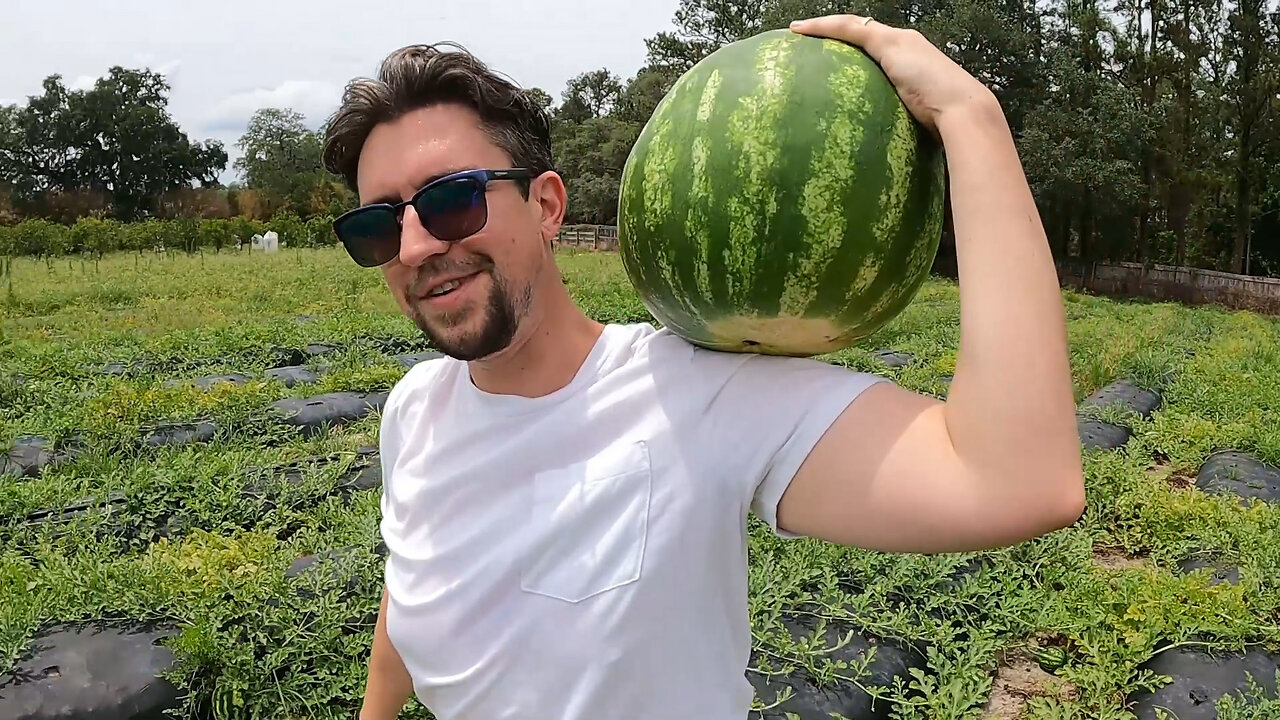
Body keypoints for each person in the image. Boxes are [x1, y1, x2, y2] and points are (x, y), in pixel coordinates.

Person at [320, 13, 1086, 720]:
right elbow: (415, 586)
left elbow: (1017, 482)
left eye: (451, 200)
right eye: (377, 226)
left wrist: (970, 119)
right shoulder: (414, 409)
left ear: (547, 206)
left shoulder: (700, 393)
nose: (416, 247)